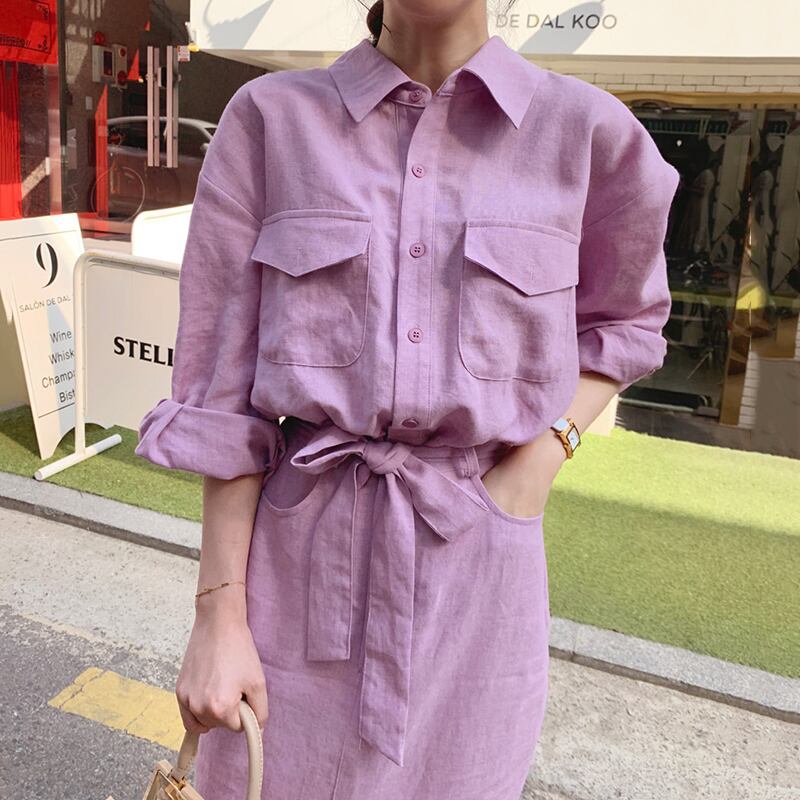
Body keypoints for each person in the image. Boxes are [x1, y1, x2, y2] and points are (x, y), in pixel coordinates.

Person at [134, 1, 679, 798]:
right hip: (295, 582)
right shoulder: (271, 121)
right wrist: (218, 616)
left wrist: (539, 462)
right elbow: (222, 394)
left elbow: (627, 321)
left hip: (479, 582)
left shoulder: (589, 134)